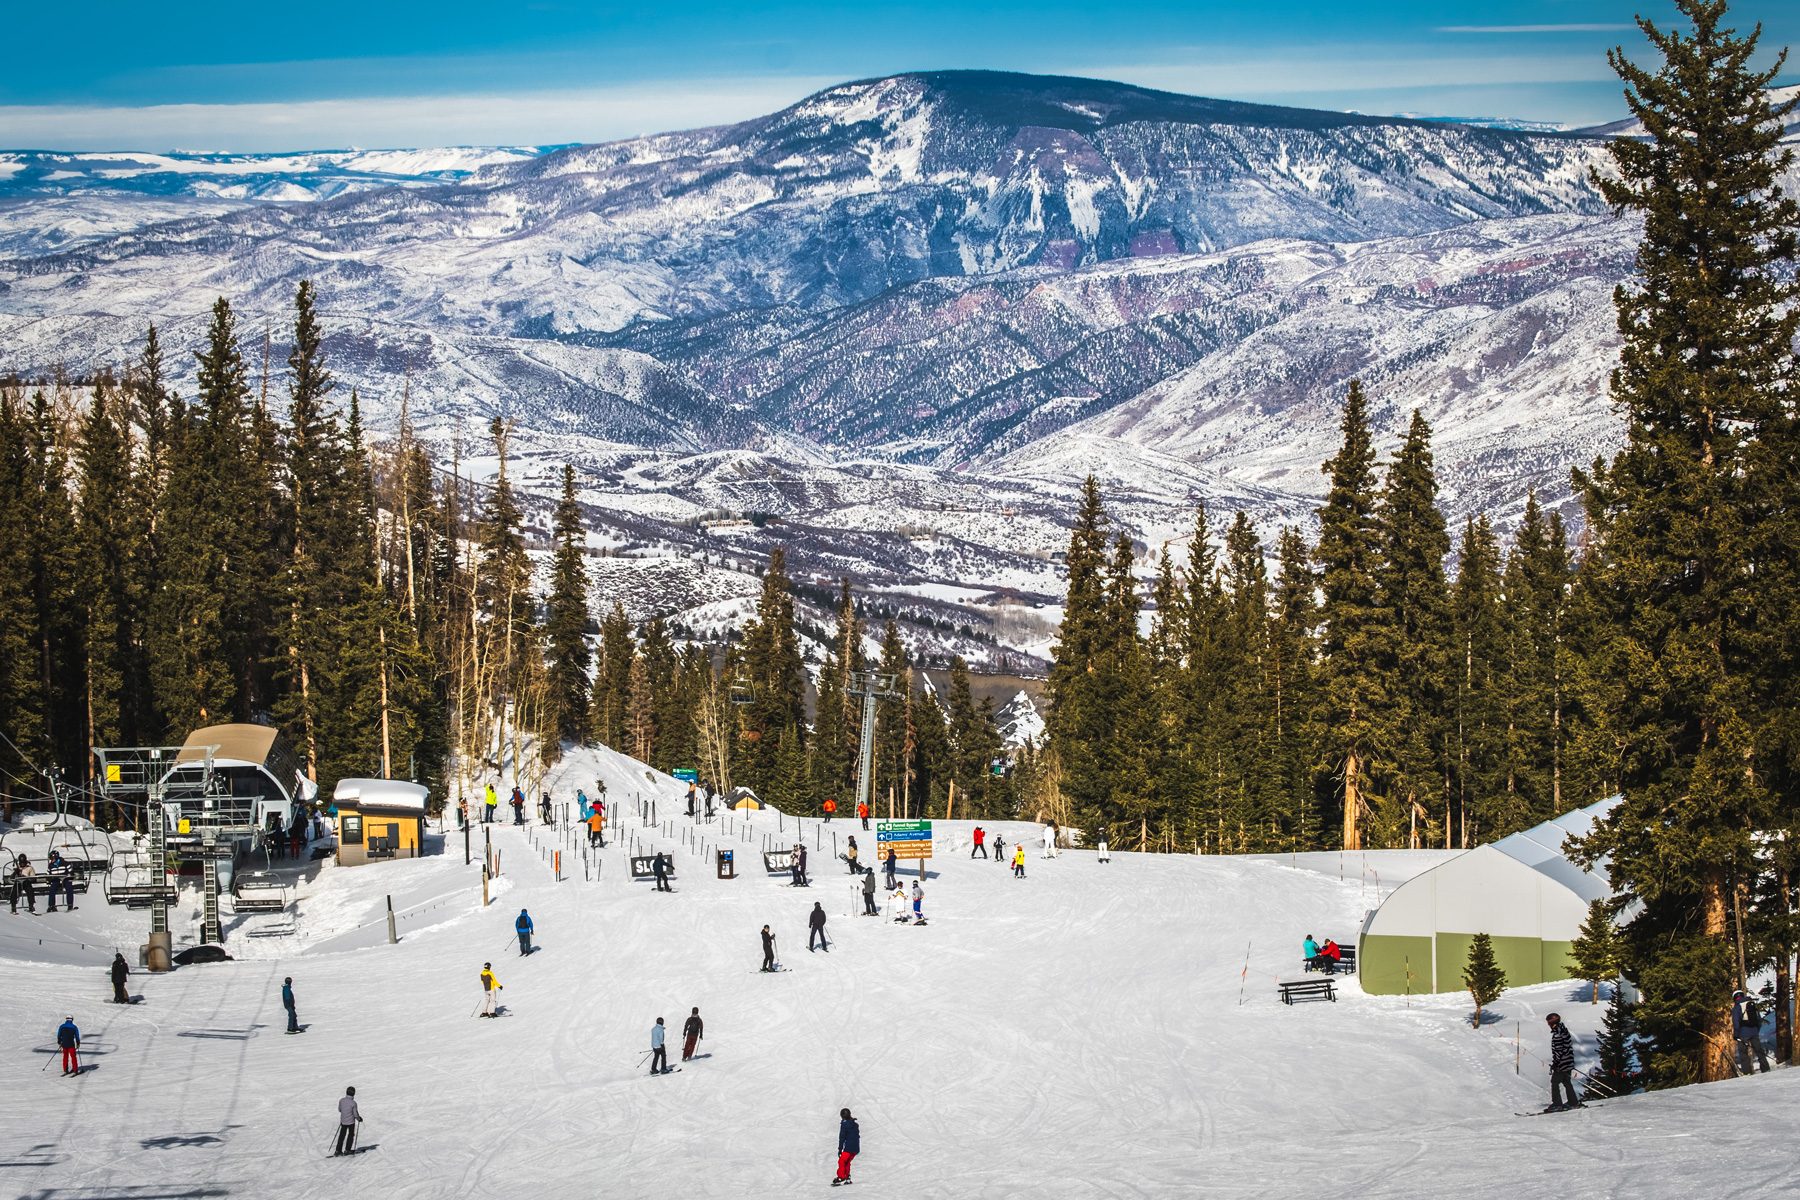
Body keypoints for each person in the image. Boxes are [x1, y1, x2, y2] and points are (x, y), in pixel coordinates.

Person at [1732, 989, 1770, 1075]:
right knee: (1759, 1051)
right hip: (1754, 1031)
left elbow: (1736, 1023)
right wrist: (1756, 1030)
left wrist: (1736, 1035)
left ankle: (1747, 1073)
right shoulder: (1752, 1004)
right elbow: (1759, 1020)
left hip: (1742, 1033)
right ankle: (1766, 1069)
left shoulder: (1737, 1007)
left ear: (1734, 997)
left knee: (1743, 1053)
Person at [833, 1107, 860, 1187]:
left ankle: (841, 1177)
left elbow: (842, 1137)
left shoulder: (844, 1125)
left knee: (841, 1161)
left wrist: (840, 1149)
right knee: (847, 1162)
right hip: (856, 1148)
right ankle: (847, 1177)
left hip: (849, 1147)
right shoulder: (855, 1124)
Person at [334, 1086, 362, 1156]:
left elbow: (340, 1110)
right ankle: (347, 1150)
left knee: (341, 1135)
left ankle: (338, 1150)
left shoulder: (341, 1100)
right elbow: (355, 1114)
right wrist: (359, 1118)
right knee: (350, 1135)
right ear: (353, 1094)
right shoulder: (353, 1103)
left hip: (343, 1121)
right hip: (351, 1122)